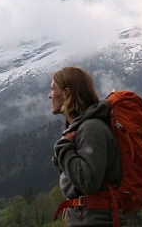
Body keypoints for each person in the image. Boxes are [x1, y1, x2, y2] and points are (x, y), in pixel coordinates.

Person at [49, 66, 123, 226]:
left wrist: (64, 148)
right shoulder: (82, 127)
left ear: (66, 93)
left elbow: (88, 182)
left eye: (53, 89)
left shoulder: (91, 128)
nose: (49, 96)